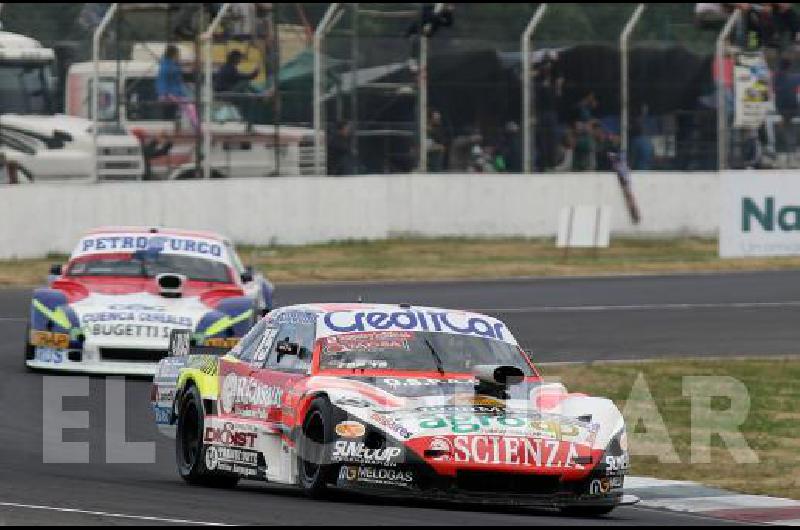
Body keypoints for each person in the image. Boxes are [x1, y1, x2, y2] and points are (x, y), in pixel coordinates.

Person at [156, 45, 199, 132]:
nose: (179, 56)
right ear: (173, 54)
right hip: (172, 93)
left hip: (176, 92)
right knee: (189, 107)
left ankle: (195, 126)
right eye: (177, 54)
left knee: (188, 108)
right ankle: (197, 127)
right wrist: (162, 94)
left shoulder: (171, 64)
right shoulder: (167, 66)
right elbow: (162, 80)